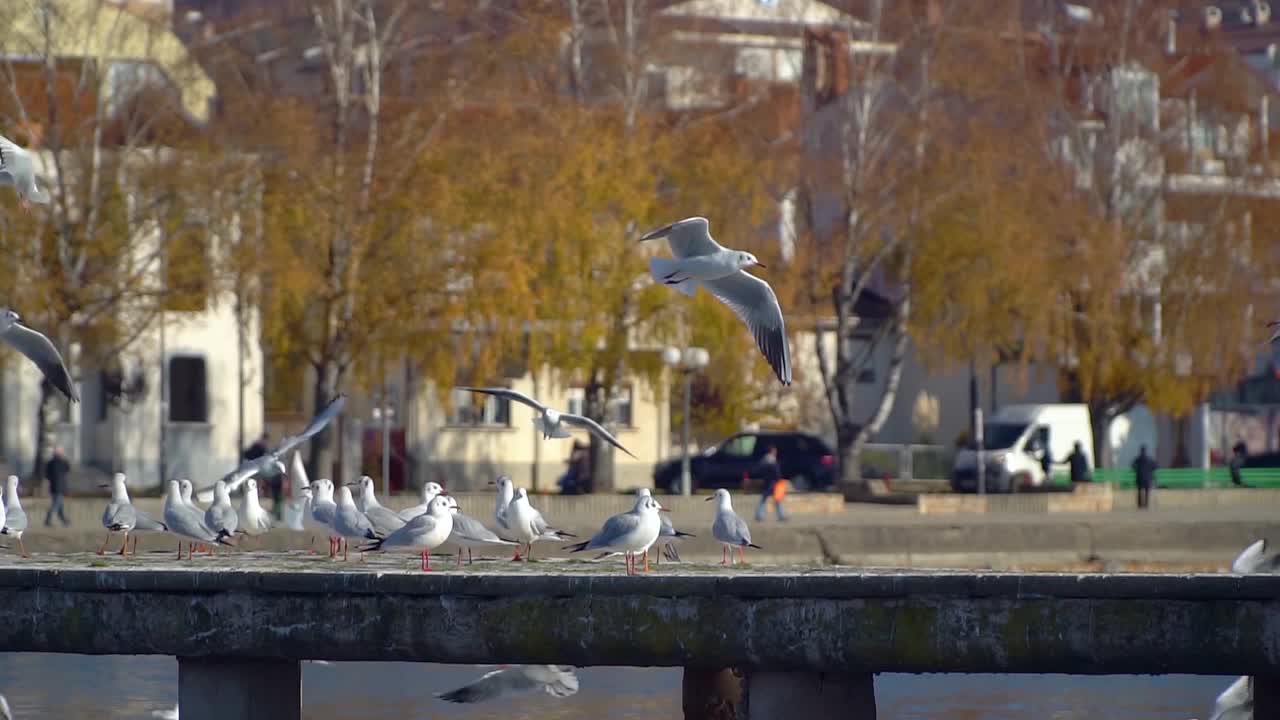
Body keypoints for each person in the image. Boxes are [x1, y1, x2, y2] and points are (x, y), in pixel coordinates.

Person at [753, 445, 787, 522]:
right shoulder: (771, 460)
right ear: (771, 451)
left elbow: (758, 470)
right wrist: (779, 479)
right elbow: (776, 472)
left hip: (767, 482)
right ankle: (780, 515)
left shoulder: (764, 460)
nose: (776, 452)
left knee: (765, 499)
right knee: (776, 499)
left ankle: (759, 515)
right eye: (774, 450)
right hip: (772, 483)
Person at [44, 446, 70, 527]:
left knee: (59, 505)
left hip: (53, 487)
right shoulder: (62, 462)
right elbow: (68, 468)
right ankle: (48, 520)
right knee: (56, 504)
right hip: (59, 487)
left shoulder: (50, 463)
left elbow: (46, 475)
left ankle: (64, 521)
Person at [1132, 445, 1157, 509]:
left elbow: (1133, 466)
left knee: (1139, 491)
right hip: (1147, 478)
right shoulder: (1149, 459)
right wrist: (1150, 472)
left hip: (1139, 477)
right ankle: (1146, 504)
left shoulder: (1138, 459)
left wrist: (1137, 470)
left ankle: (1140, 505)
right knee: (1147, 492)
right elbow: (1155, 466)